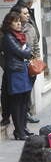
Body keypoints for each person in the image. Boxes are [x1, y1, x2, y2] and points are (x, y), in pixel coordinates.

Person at [2, 11, 33, 140]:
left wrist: (27, 50)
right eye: (16, 21)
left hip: (23, 71)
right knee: (17, 103)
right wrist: (28, 49)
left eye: (19, 21)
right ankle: (19, 131)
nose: (19, 23)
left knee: (24, 101)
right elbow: (23, 53)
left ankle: (23, 128)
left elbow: (24, 52)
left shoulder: (19, 36)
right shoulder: (8, 37)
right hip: (15, 72)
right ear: (9, 24)